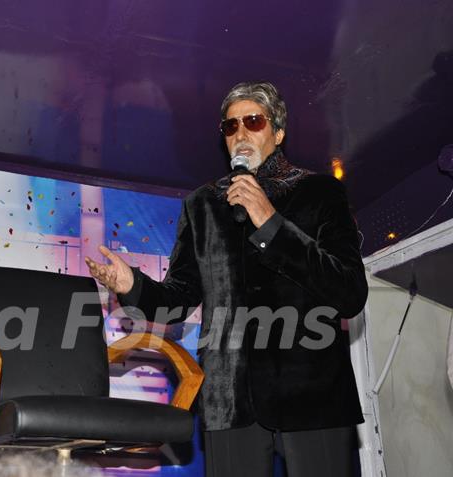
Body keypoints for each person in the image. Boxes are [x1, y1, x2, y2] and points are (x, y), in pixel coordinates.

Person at [85, 82, 368, 477]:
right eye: (230, 126)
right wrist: (131, 285)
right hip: (229, 399)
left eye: (253, 121)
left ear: (278, 132)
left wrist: (270, 222)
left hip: (313, 394)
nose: (241, 133)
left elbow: (350, 292)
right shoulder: (202, 205)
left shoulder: (320, 192)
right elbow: (178, 300)